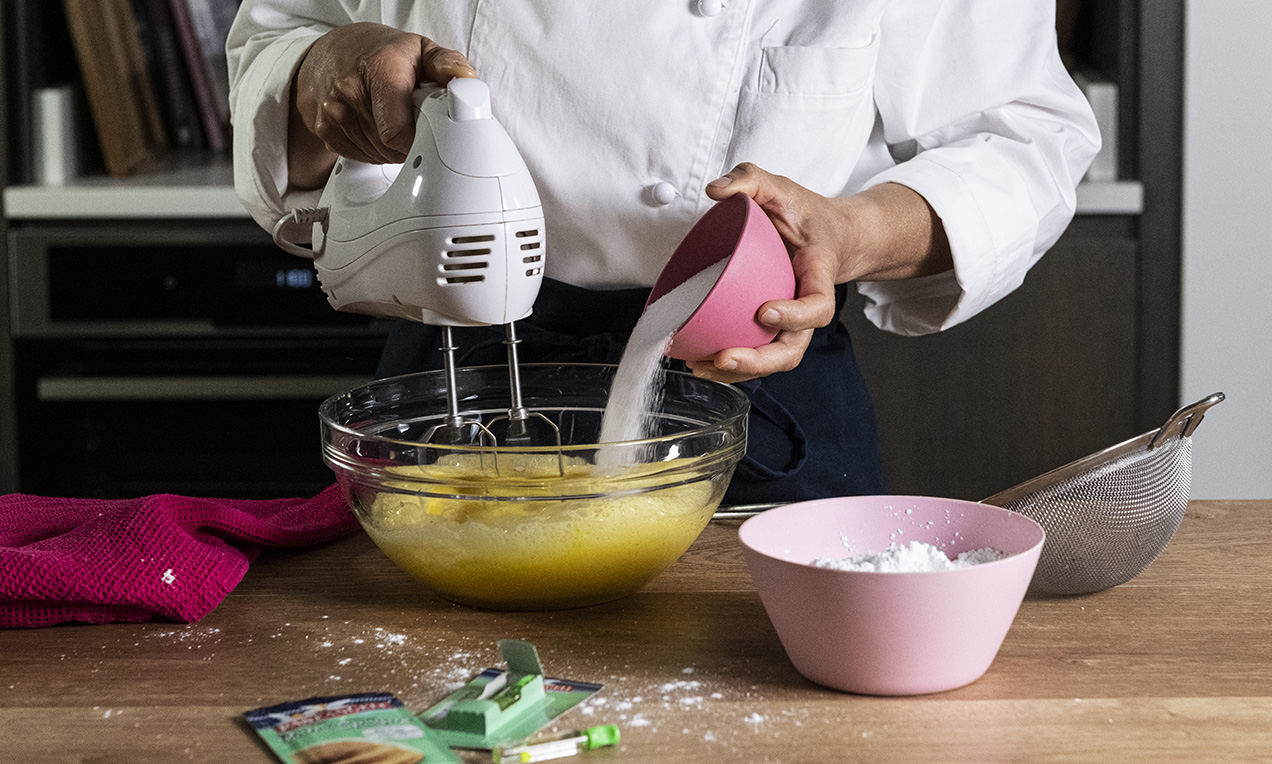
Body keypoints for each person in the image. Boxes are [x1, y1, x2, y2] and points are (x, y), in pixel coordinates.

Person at [227, 2, 1099, 506]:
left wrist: (851, 232)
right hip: (461, 357)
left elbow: (1027, 138)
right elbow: (278, 40)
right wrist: (316, 67)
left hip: (755, 375)